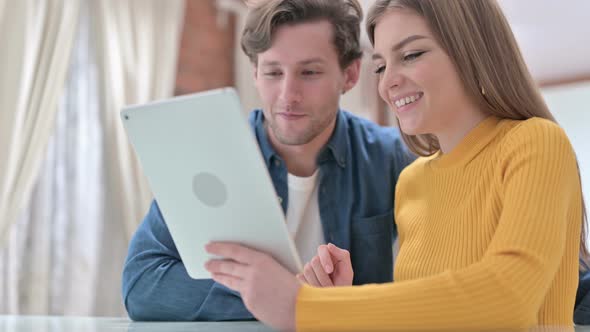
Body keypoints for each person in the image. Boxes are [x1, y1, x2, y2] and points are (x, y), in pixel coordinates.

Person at [204, 0, 588, 330]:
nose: (388, 82)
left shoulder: (535, 143)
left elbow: (509, 298)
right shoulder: (412, 182)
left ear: (471, 50)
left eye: (411, 55)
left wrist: (304, 307)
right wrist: (341, 302)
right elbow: (432, 313)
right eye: (381, 66)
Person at [121, 0, 414, 321]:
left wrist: (299, 301)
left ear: (350, 74)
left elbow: (431, 279)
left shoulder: (391, 157)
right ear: (256, 74)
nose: (288, 95)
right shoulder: (209, 155)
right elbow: (141, 283)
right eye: (274, 72)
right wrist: (276, 295)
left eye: (310, 72)